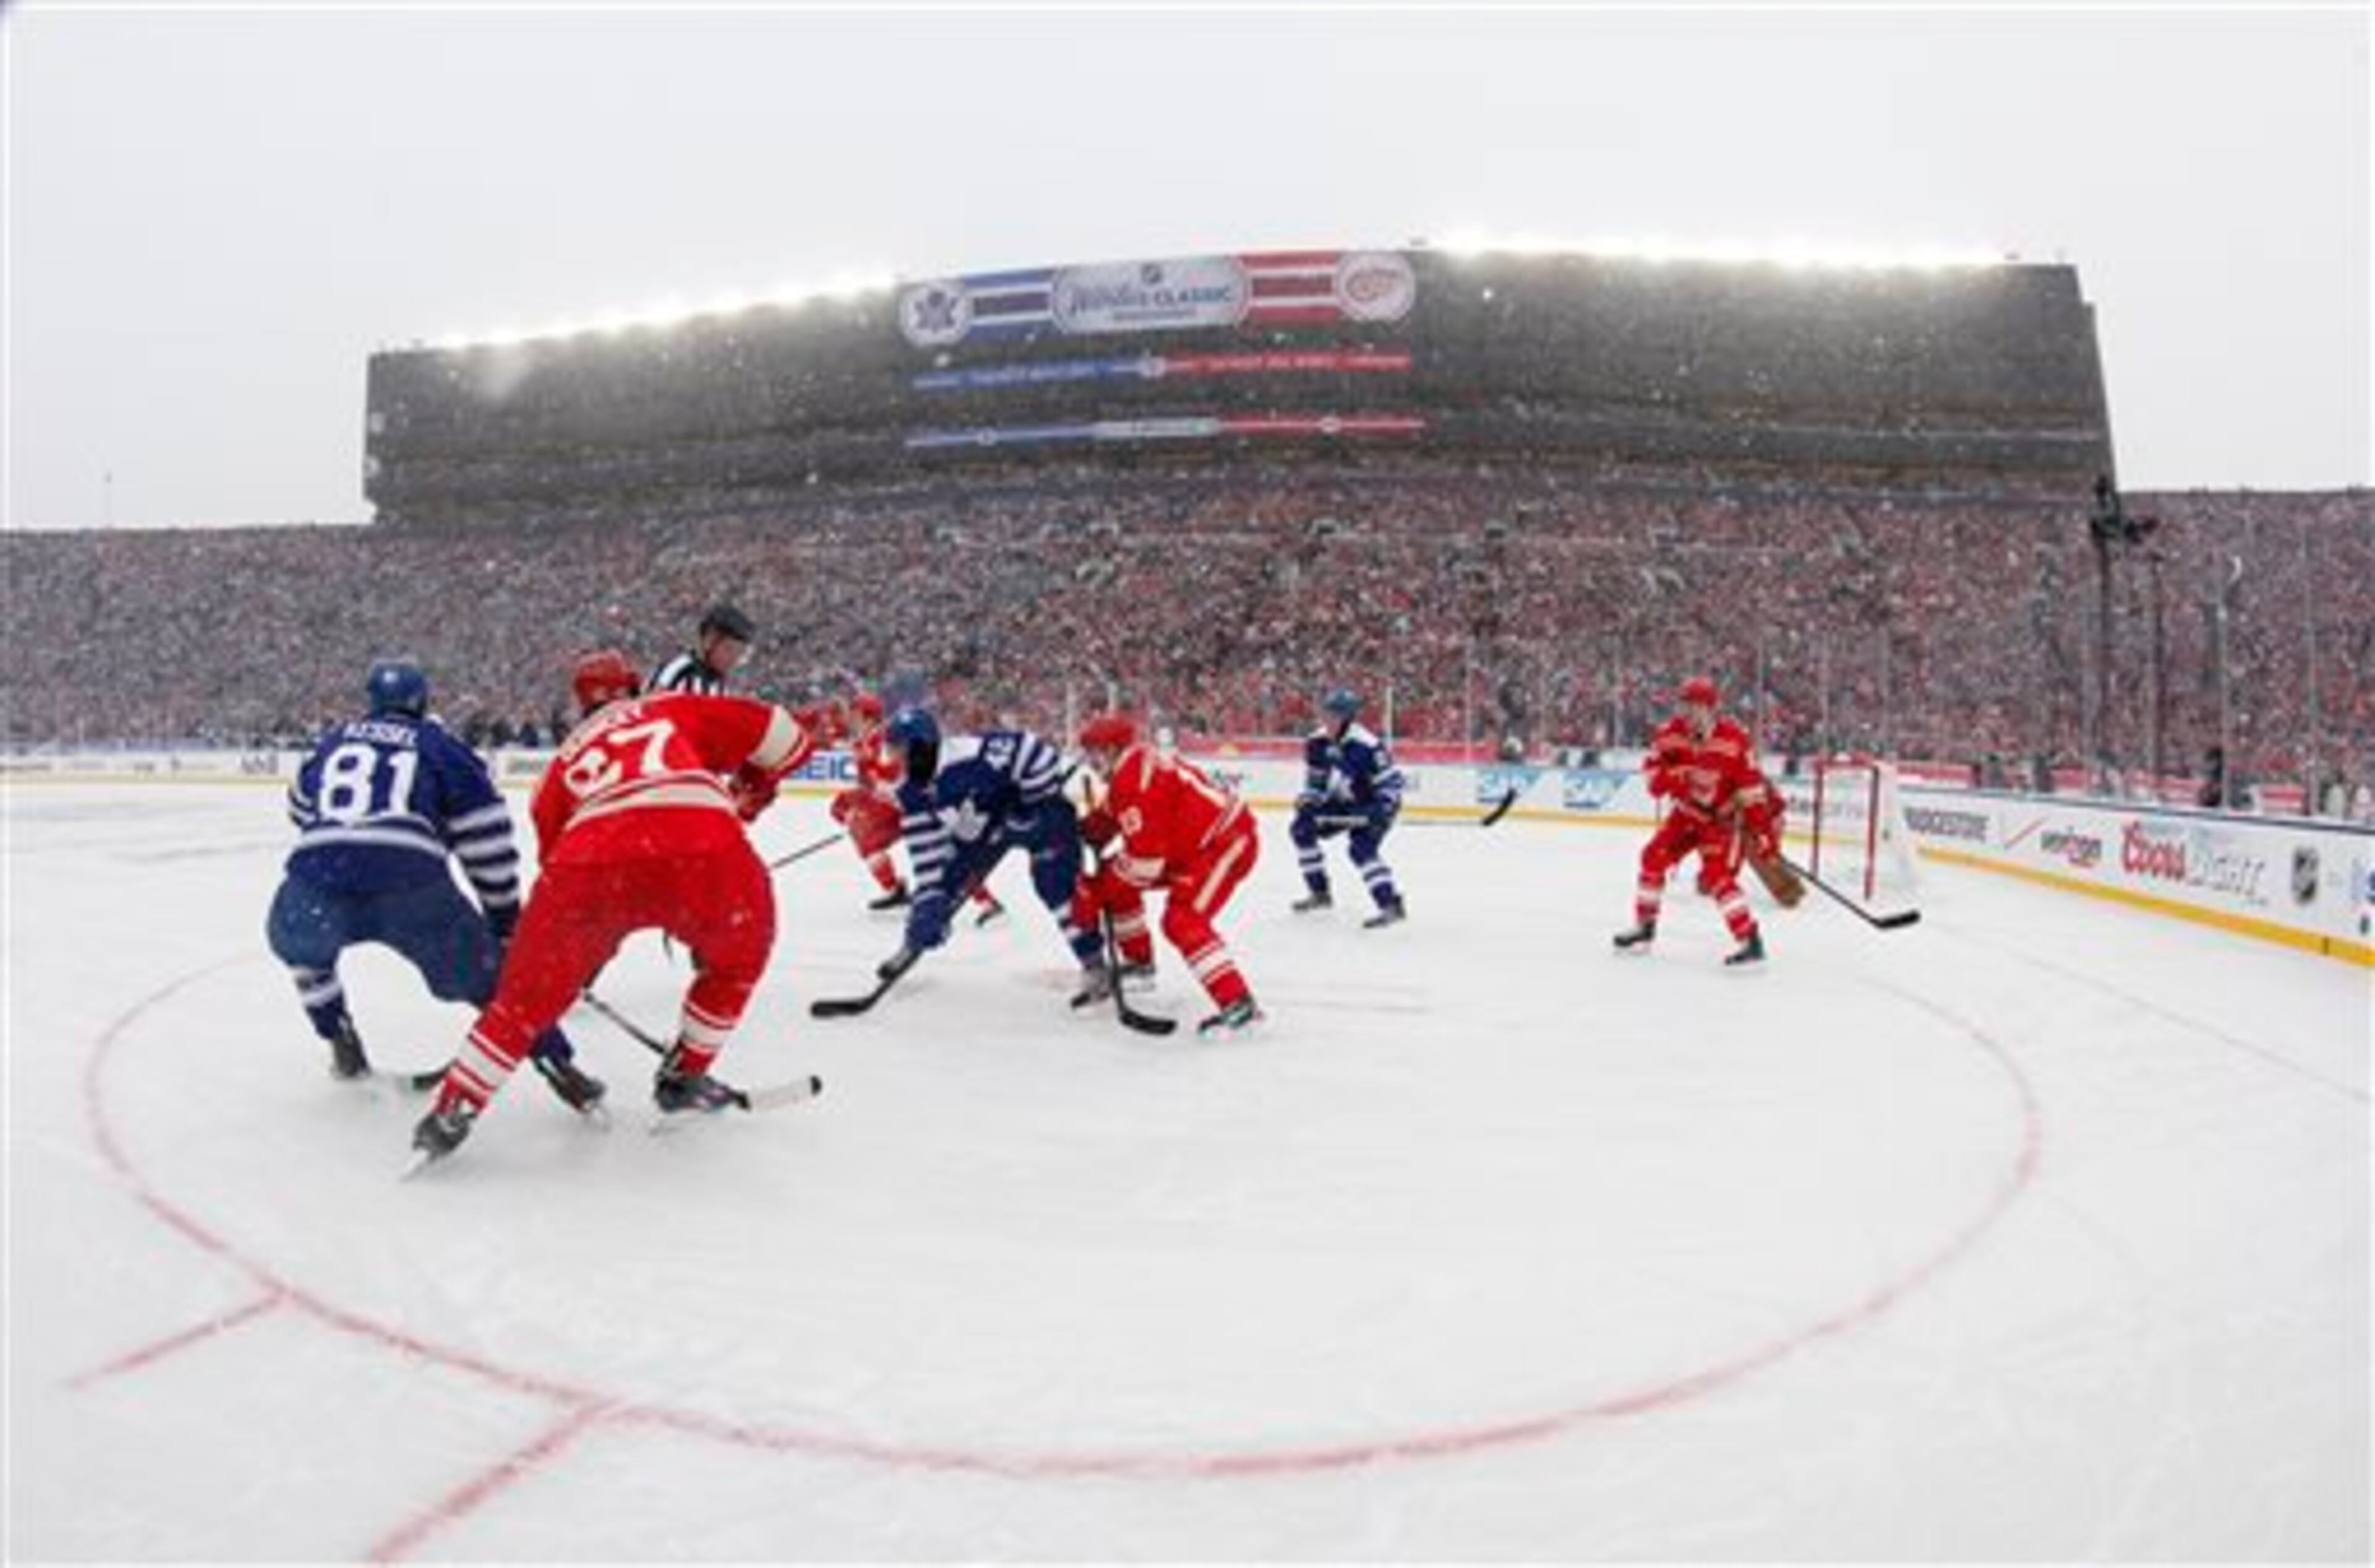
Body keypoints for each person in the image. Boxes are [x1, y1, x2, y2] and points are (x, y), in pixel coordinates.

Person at [409, 649, 819, 1166]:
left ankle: (453, 1108)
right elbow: (788, 739)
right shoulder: (668, 706)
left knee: (522, 1001)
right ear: (633, 684)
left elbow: (555, 858)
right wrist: (754, 788)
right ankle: (685, 1074)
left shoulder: (555, 769)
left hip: (588, 863)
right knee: (741, 952)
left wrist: (570, 950)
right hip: (703, 845)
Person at [265, 659, 602, 1112]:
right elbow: (487, 843)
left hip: (320, 874)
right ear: (423, 702)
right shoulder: (441, 747)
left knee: (304, 949)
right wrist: (503, 923)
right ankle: (559, 1065)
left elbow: (302, 806)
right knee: (493, 984)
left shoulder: (333, 741)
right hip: (408, 883)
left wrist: (339, 847)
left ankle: (339, 1038)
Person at [878, 706, 1098, 991]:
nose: (896, 759)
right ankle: (914, 941)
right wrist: (929, 900)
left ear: (920, 747)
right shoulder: (913, 795)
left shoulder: (975, 755)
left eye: (899, 750)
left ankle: (1093, 962)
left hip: (1040, 812)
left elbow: (1032, 750)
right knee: (942, 890)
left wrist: (1032, 807)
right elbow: (928, 854)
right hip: (985, 829)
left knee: (1056, 885)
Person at [1071, 714, 1263, 1036]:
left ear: (1115, 750)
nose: (1092, 761)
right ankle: (1139, 964)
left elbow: (1146, 864)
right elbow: (1119, 811)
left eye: (1097, 753)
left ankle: (1240, 1005)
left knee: (1182, 919)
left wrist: (1099, 891)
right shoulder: (1130, 767)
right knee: (1118, 881)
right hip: (1189, 847)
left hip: (1224, 843)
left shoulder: (1134, 780)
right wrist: (1097, 826)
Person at [1612, 675, 1768, 966]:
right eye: (1685, 705)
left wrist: (1761, 830)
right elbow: (1653, 779)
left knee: (1717, 876)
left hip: (1718, 824)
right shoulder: (1669, 734)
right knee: (1652, 857)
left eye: (1696, 707)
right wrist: (1678, 776)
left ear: (1711, 708)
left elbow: (1751, 788)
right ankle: (1645, 927)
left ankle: (1750, 940)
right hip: (1685, 815)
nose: (1689, 713)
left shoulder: (1734, 740)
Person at [832, 692, 1005, 922]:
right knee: (867, 841)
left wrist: (861, 797)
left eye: (854, 714)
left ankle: (988, 903)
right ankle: (895, 890)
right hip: (898, 810)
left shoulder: (886, 740)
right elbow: (873, 784)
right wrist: (851, 800)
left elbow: (897, 780)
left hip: (917, 807)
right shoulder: (863, 743)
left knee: (944, 856)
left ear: (869, 717)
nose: (850, 719)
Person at [1287, 688, 1407, 927]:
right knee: (1301, 828)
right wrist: (1310, 800)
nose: (1326, 721)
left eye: (1333, 716)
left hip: (1372, 805)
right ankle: (1320, 893)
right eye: (1325, 714)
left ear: (1348, 719)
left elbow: (1392, 783)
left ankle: (1391, 904)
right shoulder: (1316, 742)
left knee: (1360, 849)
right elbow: (1317, 782)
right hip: (1342, 804)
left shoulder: (1368, 746)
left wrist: (1383, 808)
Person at [649, 602, 755, 696]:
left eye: (738, 653)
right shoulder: (678, 670)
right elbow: (648, 708)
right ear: (709, 640)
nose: (733, 659)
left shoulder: (721, 686)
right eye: (728, 649)